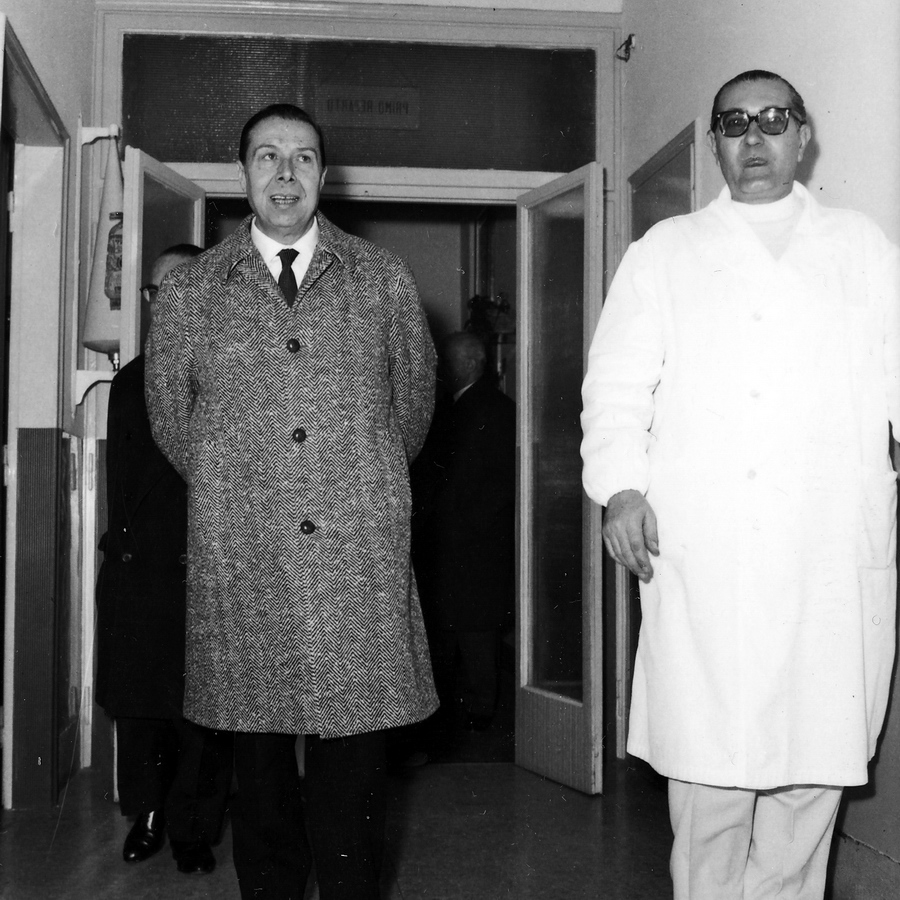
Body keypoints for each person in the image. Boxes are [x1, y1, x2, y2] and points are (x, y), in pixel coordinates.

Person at [580, 70, 900, 899]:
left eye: (773, 119)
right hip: (707, 552)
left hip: (829, 556)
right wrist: (622, 489)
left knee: (809, 788)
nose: (753, 137)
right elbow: (615, 388)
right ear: (715, 145)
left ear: (804, 136)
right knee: (710, 787)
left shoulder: (863, 248)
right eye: (734, 123)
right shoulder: (666, 252)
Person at [144, 104, 438, 900]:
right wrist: (246, 487)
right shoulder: (192, 291)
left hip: (353, 563)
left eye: (302, 157)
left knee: (354, 784)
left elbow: (411, 410)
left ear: (323, 175)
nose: (284, 173)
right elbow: (171, 419)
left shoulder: (382, 279)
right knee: (262, 783)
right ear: (242, 174)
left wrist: (349, 481)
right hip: (246, 564)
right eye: (267, 156)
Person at [95, 244, 234, 875]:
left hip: (203, 573)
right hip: (138, 573)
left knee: (201, 716)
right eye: (156, 291)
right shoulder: (129, 381)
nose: (166, 301)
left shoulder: (232, 377)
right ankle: (146, 814)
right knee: (140, 709)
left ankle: (192, 828)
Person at [412, 332, 516, 737]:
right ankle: (458, 717)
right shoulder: (453, 407)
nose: (442, 368)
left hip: (475, 548)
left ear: (473, 363)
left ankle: (478, 715)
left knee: (476, 635)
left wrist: (459, 526)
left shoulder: (495, 410)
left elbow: (500, 486)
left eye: (450, 360)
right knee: (451, 633)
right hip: (452, 545)